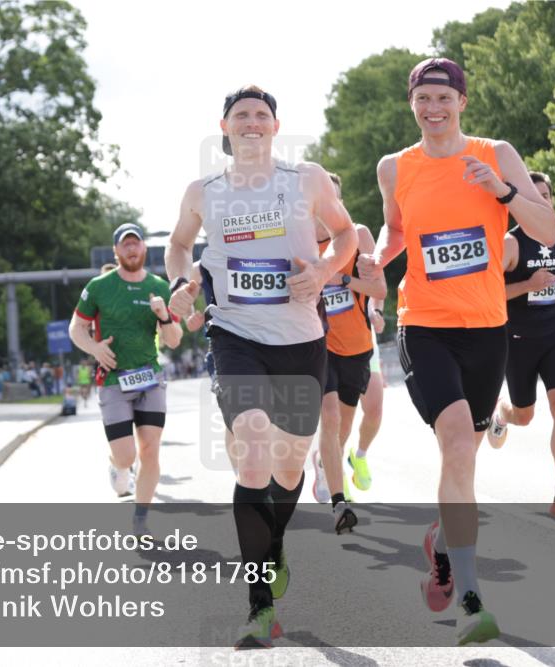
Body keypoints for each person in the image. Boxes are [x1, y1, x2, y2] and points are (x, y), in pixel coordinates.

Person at [357, 57, 555, 644]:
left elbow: (546, 231)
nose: (433, 109)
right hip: (424, 323)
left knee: (465, 457)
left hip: (487, 325)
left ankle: (441, 546)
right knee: (454, 443)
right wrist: (378, 262)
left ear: (462, 102)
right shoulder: (395, 167)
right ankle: (471, 597)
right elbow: (396, 231)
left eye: (444, 97)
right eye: (423, 99)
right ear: (412, 104)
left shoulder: (497, 153)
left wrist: (500, 192)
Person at [166, 85, 356, 649]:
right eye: (241, 115)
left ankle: (272, 548)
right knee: (251, 449)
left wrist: (323, 272)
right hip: (235, 334)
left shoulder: (307, 179)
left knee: (292, 464)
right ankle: (258, 605)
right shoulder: (204, 192)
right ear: (224, 127)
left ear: (276, 126)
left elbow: (345, 235)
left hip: (300, 338)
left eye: (261, 115)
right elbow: (178, 246)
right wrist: (182, 281)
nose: (252, 122)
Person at [69, 223, 183, 536]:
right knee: (126, 455)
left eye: (136, 244)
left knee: (150, 451)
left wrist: (163, 316)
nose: (131, 250)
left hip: (149, 378)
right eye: (125, 245)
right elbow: (76, 328)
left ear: (144, 248)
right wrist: (94, 348)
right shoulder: (100, 286)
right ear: (117, 250)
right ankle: (117, 465)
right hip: (113, 380)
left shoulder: (160, 287)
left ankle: (141, 519)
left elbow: (173, 339)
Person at [485, 171, 555, 519]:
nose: (542, 202)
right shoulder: (510, 244)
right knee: (524, 416)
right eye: (535, 196)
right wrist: (528, 284)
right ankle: (502, 413)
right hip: (518, 338)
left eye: (547, 196)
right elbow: (488, 292)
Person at [310, 172, 387, 535]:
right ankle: (339, 500)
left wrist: (343, 280)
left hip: (358, 345)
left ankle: (331, 464)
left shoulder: (358, 235)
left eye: (335, 200)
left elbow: (380, 289)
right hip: (320, 344)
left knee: (344, 423)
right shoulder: (301, 241)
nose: (329, 208)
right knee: (329, 416)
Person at [346, 296, 388, 493]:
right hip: (328, 344)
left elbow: (377, 290)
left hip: (364, 342)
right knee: (337, 420)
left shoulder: (364, 263)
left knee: (374, 411)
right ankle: (333, 475)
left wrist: (375, 311)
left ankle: (359, 456)